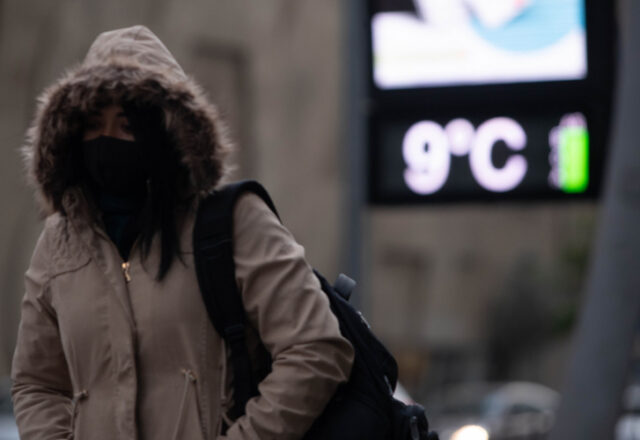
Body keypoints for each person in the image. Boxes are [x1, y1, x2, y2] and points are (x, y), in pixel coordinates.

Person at [11, 25, 354, 440]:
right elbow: (37, 382)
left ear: (166, 131)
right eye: (94, 124)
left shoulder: (233, 221)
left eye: (127, 125)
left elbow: (316, 348)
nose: (107, 140)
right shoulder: (57, 245)